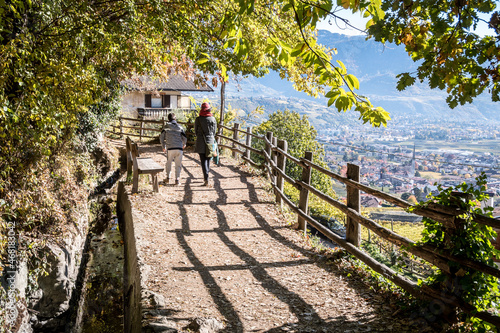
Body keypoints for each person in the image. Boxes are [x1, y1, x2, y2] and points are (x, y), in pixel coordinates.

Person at [160, 113, 187, 185]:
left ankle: (168, 178)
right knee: (178, 164)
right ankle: (177, 180)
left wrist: (163, 146)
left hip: (170, 148)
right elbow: (184, 137)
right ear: (175, 119)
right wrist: (184, 144)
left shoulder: (166, 127)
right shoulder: (180, 127)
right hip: (179, 148)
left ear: (168, 119)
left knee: (169, 163)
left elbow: (161, 137)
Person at [194, 102, 217, 186]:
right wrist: (210, 136)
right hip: (210, 141)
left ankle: (206, 178)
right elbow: (214, 132)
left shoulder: (198, 119)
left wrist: (200, 136)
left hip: (200, 141)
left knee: (203, 161)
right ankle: (207, 176)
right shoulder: (213, 119)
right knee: (208, 160)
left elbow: (196, 131)